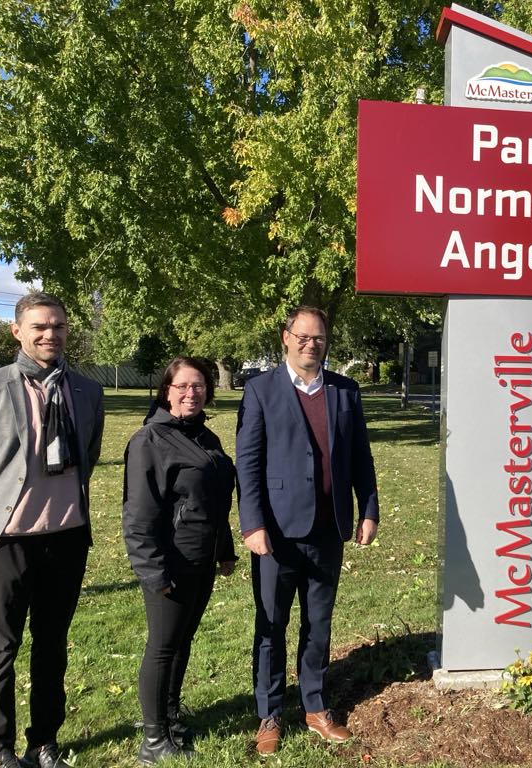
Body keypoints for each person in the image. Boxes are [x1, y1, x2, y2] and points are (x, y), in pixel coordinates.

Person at [0, 292, 104, 768]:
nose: (50, 334)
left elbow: (91, 454)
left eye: (58, 326)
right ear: (18, 330)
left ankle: (44, 742)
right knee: (0, 648)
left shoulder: (87, 391)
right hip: (6, 544)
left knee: (52, 645)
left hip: (66, 537)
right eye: (39, 326)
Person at [236, 306, 379, 753]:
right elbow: (249, 464)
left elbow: (360, 456)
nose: (310, 344)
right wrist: (253, 523)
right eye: (302, 336)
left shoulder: (345, 392)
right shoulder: (261, 390)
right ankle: (269, 714)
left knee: (319, 624)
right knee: (271, 624)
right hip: (276, 533)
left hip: (327, 529)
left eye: (318, 338)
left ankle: (315, 706)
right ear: (286, 337)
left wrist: (368, 509)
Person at [122, 357, 237, 764]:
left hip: (202, 559)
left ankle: (170, 717)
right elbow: (138, 516)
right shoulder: (149, 441)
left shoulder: (204, 436)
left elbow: (214, 502)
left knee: (181, 642)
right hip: (171, 563)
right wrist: (154, 571)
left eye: (200, 385)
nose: (193, 393)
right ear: (166, 391)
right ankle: (153, 739)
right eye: (183, 386)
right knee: (162, 647)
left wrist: (224, 550)